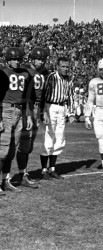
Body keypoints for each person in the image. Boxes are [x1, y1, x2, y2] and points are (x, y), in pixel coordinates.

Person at [0, 47, 38, 194]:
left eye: (18, 59)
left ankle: (6, 180)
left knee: (11, 149)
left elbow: (28, 97)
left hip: (20, 111)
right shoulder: (3, 73)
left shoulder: (25, 74)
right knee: (3, 150)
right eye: (14, 59)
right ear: (8, 59)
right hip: (5, 109)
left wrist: (28, 115)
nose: (16, 61)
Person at [18, 46, 49, 181]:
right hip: (27, 106)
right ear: (32, 59)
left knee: (30, 142)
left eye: (43, 59)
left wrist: (43, 110)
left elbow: (44, 94)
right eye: (38, 59)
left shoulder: (45, 72)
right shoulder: (25, 70)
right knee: (23, 141)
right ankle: (21, 173)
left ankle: (23, 172)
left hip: (38, 108)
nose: (41, 62)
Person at [40, 56, 73, 180]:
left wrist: (70, 113)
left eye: (67, 67)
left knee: (59, 139)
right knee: (48, 138)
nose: (65, 69)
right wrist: (43, 111)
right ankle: (44, 170)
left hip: (61, 108)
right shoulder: (51, 77)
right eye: (63, 67)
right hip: (50, 107)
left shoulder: (68, 79)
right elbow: (43, 94)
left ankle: (52, 169)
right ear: (57, 67)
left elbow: (70, 96)